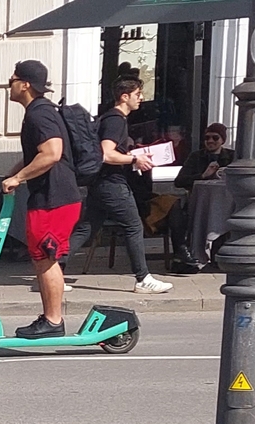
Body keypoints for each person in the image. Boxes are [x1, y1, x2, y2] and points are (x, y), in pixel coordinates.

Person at [66, 77, 173, 295]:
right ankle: (143, 279)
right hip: (112, 184)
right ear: (125, 97)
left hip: (100, 183)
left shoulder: (109, 118)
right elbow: (106, 153)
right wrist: (135, 160)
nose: (141, 98)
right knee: (133, 226)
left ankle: (53, 271)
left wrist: (135, 155)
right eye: (137, 94)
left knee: (86, 228)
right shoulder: (116, 120)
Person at [2, 59, 84, 338]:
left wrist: (18, 178)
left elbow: (51, 153)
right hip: (53, 195)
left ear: (25, 84)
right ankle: (51, 318)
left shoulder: (39, 114)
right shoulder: (41, 112)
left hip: (54, 197)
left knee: (45, 258)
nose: (8, 85)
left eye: (11, 80)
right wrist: (14, 173)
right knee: (43, 258)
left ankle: (53, 321)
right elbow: (37, 154)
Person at [173, 123, 235, 271]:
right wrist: (202, 176)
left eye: (215, 137)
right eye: (207, 138)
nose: (210, 141)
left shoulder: (232, 156)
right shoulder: (196, 156)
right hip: (201, 204)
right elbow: (179, 181)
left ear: (223, 140)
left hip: (227, 203)